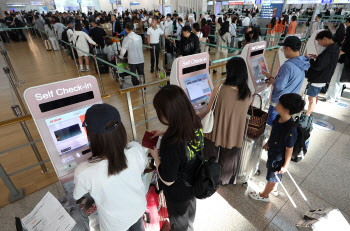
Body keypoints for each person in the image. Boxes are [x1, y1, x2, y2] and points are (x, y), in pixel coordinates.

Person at [73, 103, 148, 231]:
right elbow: (140, 167)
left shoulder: (83, 172)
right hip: (138, 210)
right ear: (121, 130)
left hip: (114, 225)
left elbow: (76, 195)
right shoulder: (135, 150)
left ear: (90, 137)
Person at [150, 85, 202, 231]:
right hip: (194, 181)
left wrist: (156, 157)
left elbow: (168, 178)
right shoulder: (195, 120)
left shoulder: (171, 142)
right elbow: (185, 144)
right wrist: (164, 133)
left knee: (179, 222)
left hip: (178, 192)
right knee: (189, 215)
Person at [204, 57, 252, 185]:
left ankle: (209, 179)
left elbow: (209, 110)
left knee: (210, 154)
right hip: (234, 132)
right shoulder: (247, 94)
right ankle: (225, 180)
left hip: (215, 129)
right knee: (229, 157)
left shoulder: (219, 89)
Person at [249, 93, 305, 202]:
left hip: (279, 158)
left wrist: (285, 165)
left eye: (280, 103)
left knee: (272, 176)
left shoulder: (290, 129)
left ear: (286, 110)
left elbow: (290, 149)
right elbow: (274, 131)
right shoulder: (279, 117)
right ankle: (273, 189)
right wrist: (268, 142)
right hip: (273, 151)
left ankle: (264, 195)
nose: (276, 104)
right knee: (272, 173)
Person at [264, 36, 310, 125]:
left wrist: (270, 78)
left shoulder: (287, 66)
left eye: (283, 49)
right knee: (283, 124)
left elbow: (279, 86)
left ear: (288, 49)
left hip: (280, 102)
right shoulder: (303, 62)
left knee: (274, 125)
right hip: (290, 102)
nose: (283, 51)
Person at [306, 30, 340, 116]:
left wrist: (311, 61)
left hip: (319, 78)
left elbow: (319, 66)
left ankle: (307, 115)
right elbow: (327, 62)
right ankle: (310, 111)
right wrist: (318, 57)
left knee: (311, 98)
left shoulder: (329, 51)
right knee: (314, 96)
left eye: (319, 41)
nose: (319, 44)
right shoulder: (334, 48)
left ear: (325, 39)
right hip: (324, 77)